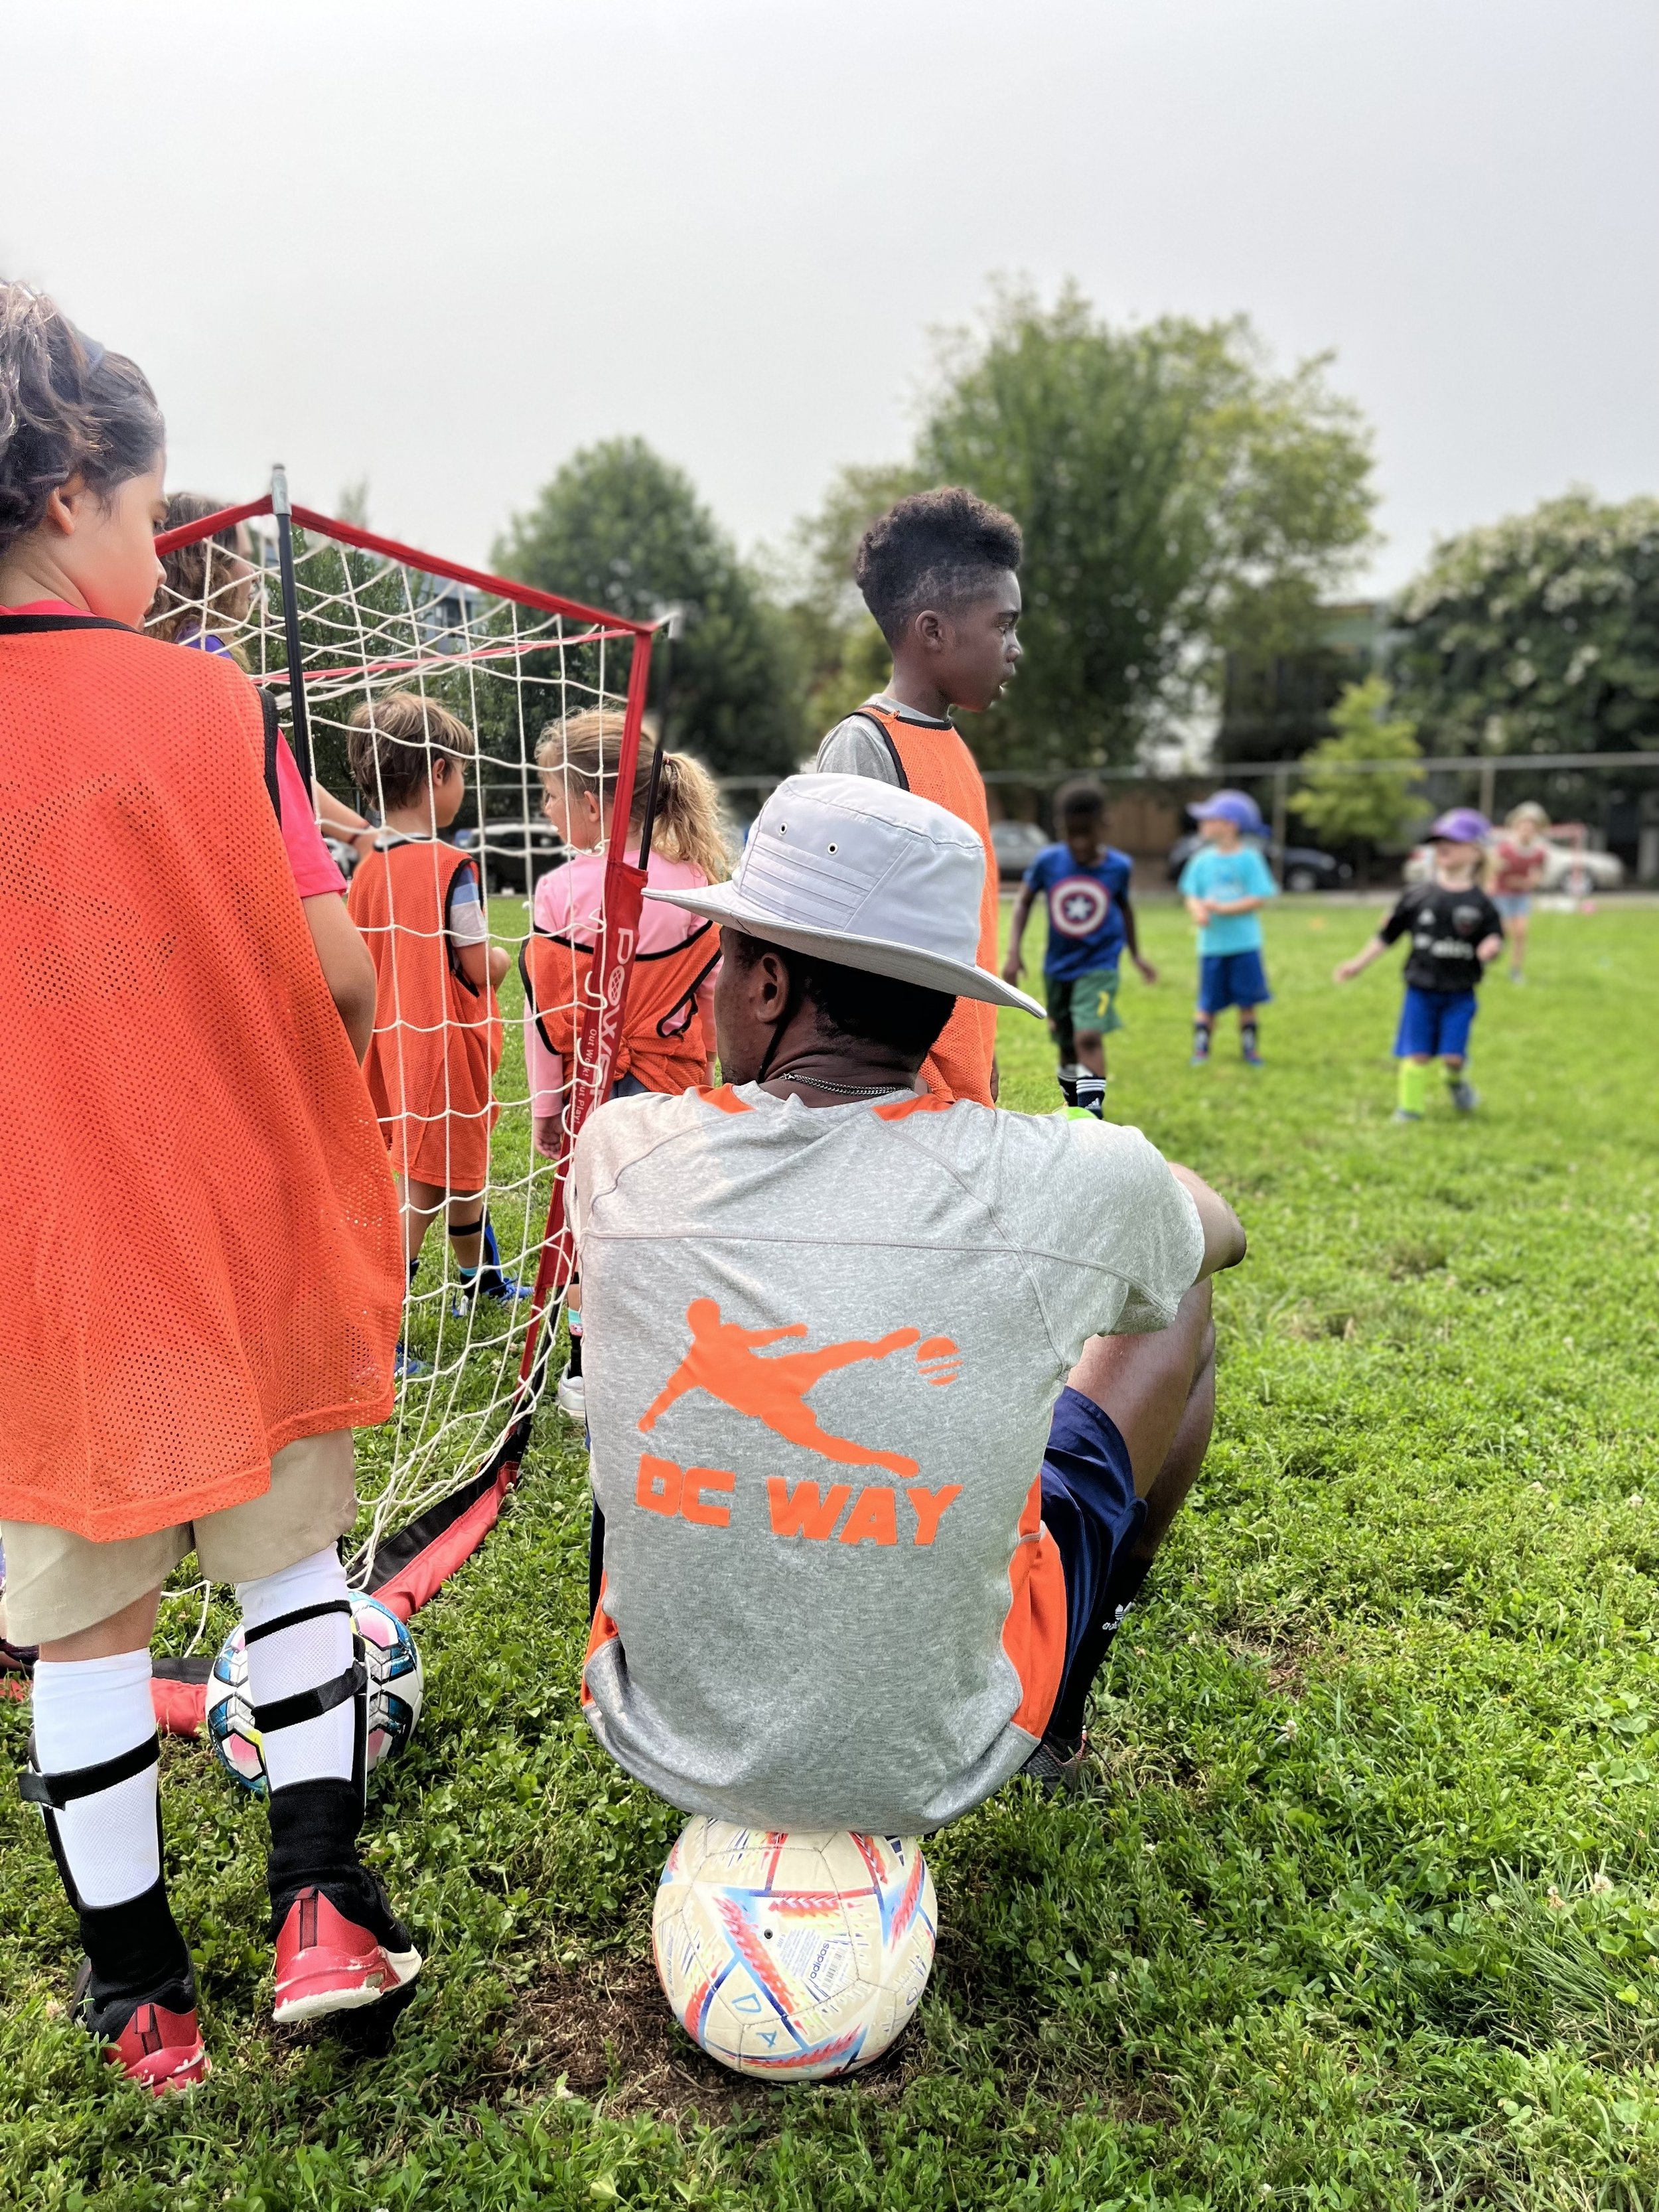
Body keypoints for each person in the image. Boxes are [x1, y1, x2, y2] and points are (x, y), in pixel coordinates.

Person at [0, 284, 416, 2093]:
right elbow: (334, 972)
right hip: (229, 1228)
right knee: (289, 1567)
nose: (164, 561)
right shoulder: (205, 703)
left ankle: (141, 1997)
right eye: (155, 519)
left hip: (43, 1268)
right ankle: (321, 1906)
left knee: (79, 1630)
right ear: (79, 485)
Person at [569, 773, 1246, 1833]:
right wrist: (1042, 1163)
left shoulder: (619, 1152)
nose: (710, 990)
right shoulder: (1053, 1179)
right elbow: (1221, 1231)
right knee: (1183, 1292)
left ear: (771, 987)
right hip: (944, 1754)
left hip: (649, 1726)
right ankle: (1091, 1624)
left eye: (726, 958)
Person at [526, 707, 727, 1418]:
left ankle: (590, 1371)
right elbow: (715, 1001)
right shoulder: (699, 883)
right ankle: (663, 1359)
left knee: (588, 1228)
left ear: (588, 804)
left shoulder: (558, 892)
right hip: (677, 1092)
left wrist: (546, 1108)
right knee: (664, 1223)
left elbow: (548, 1020)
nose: (544, 808)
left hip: (592, 1096)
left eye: (549, 793)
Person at [815, 488, 1023, 1107]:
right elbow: (843, 953)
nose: (1015, 647)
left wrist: (982, 1054)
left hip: (962, 1091)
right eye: (1004, 625)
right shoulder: (864, 747)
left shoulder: (956, 749)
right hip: (900, 1104)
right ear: (933, 630)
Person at [346, 692, 526, 1352]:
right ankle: (377, 1335)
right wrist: (506, 958)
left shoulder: (367, 868)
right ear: (439, 775)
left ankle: (480, 1280)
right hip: (443, 1048)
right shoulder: (455, 868)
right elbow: (477, 964)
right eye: (464, 774)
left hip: (390, 1049)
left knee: (461, 1171)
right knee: (421, 1191)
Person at [149, 491, 375, 856]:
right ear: (208, 565)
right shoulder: (204, 658)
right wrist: (361, 835)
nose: (252, 574)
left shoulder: (160, 650)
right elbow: (272, 772)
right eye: (244, 559)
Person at [1334, 808, 1504, 1120]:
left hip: (1460, 993)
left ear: (1476, 851)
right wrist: (1357, 964)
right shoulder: (1417, 895)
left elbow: (1495, 936)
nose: (1442, 845)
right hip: (1421, 990)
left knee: (1454, 1056)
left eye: (1452, 839)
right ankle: (1409, 1109)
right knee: (1418, 1053)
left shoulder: (1483, 904)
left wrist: (1491, 947)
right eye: (1438, 839)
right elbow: (1387, 936)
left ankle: (1455, 1082)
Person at [1002, 782, 1157, 1114]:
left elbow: (1126, 910)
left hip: (1100, 966)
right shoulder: (1048, 862)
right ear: (1061, 829)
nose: (1080, 843)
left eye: (1087, 833)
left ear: (1105, 825)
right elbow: (1023, 903)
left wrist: (1136, 955)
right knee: (1066, 1046)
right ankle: (1074, 1110)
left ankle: (1093, 1117)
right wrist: (1014, 953)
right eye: (1072, 834)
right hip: (1058, 968)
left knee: (1088, 1036)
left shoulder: (1118, 867)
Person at [1177, 791, 1277, 1067]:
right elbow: (1191, 894)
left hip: (1244, 944)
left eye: (1210, 818)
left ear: (1230, 824)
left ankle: (1250, 1050)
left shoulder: (1250, 858)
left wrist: (1222, 909)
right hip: (1212, 946)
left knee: (1248, 1001)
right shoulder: (1201, 860)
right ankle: (1201, 1050)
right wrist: (1197, 910)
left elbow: (1260, 897)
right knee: (1207, 1001)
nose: (1202, 823)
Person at [1488, 801, 1550, 981]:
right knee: (1503, 932)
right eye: (1523, 827)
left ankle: (1516, 971)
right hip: (1502, 895)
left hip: (1521, 896)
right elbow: (1492, 870)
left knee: (1521, 932)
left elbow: (1537, 875)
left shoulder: (1538, 853)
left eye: (1531, 828)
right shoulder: (1505, 849)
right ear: (1516, 827)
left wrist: (1529, 882)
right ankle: (1484, 963)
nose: (1527, 831)